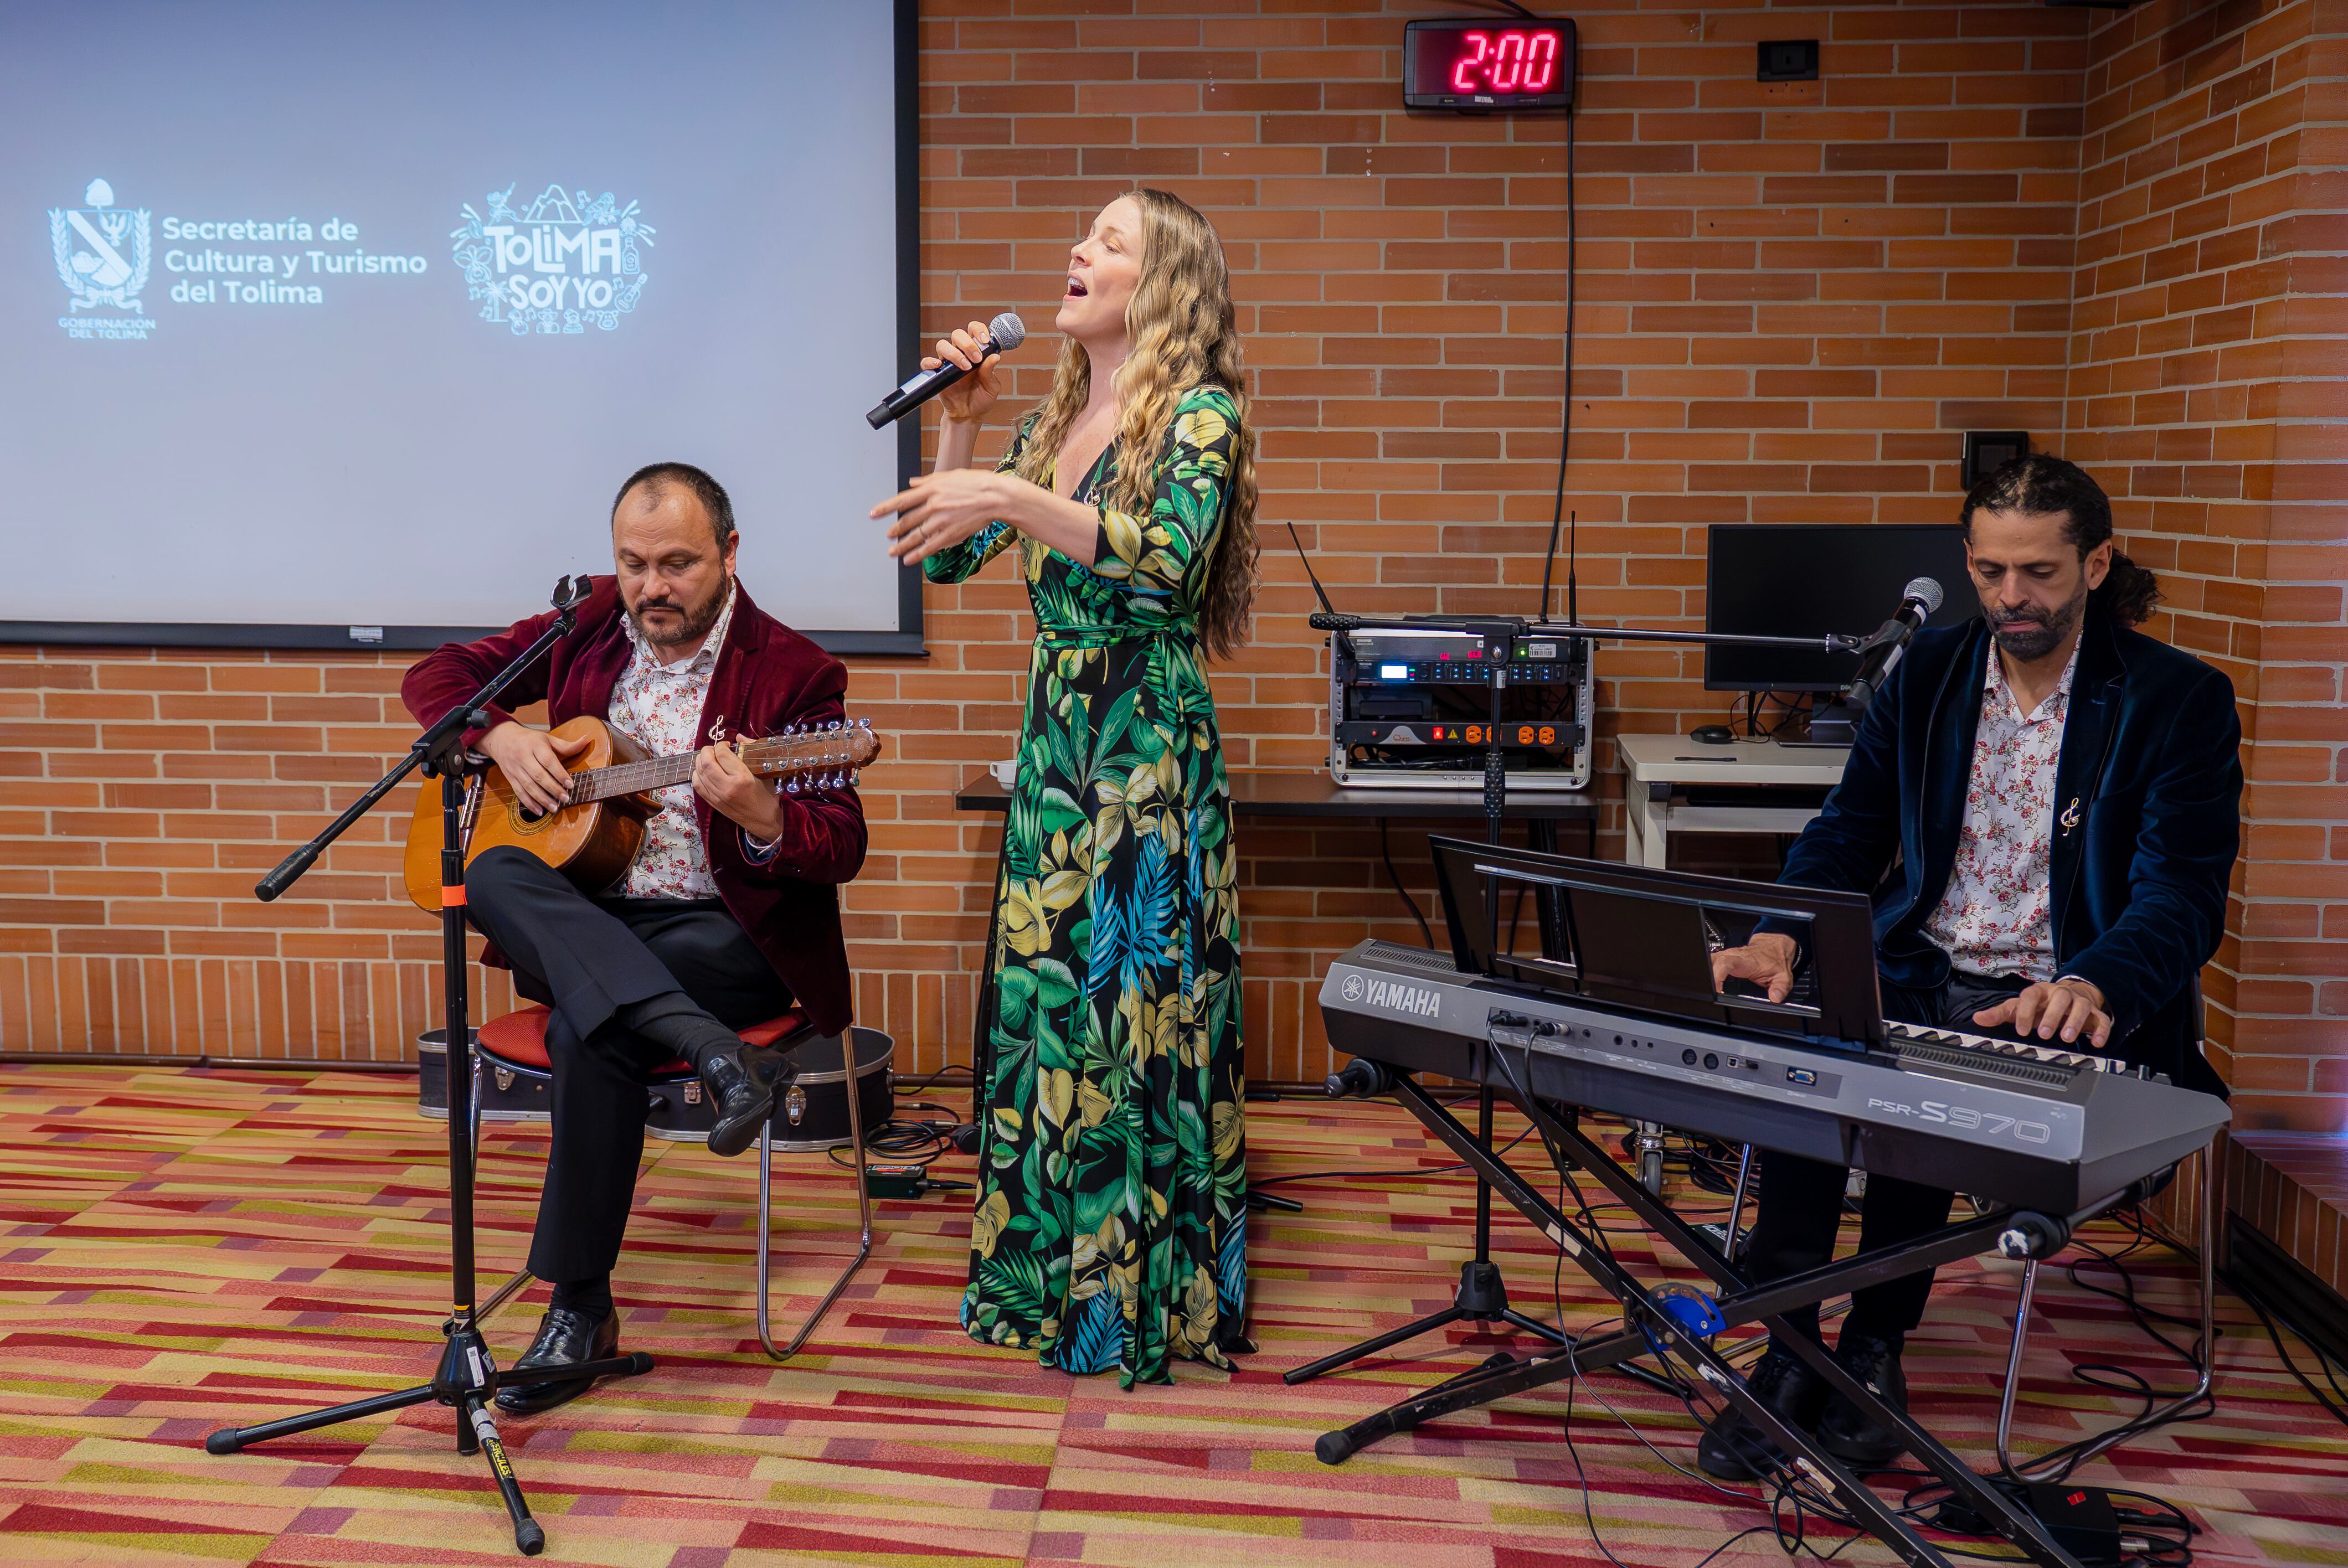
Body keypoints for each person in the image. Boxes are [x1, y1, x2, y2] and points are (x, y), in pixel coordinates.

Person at [1697, 454, 2241, 1481]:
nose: (2010, 597)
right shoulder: (1930, 674)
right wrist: (1781, 931)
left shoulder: (2177, 700)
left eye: (2036, 572)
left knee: (1924, 1109)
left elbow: (2183, 896)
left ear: (2096, 563)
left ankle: (1873, 1346)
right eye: (1990, 571)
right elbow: (1847, 833)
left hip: (2053, 996)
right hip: (1919, 961)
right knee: (1802, 1077)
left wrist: (2095, 982)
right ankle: (1792, 1347)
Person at [871, 188, 1258, 1386]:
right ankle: (1048, 1293)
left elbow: (1165, 560)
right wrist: (962, 435)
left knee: (1126, 1012)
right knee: (1048, 1009)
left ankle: (1135, 1305)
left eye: (1106, 241)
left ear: (1164, 284)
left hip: (1142, 744)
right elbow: (938, 559)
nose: (1073, 250)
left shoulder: (1197, 415)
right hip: (1054, 752)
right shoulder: (1052, 417)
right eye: (1078, 232)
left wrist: (1011, 495)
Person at [401, 462, 865, 1414]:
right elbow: (436, 679)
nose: (652, 588)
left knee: (590, 1027)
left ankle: (578, 1312)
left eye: (679, 565)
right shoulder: (589, 624)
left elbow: (840, 847)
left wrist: (765, 810)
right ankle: (713, 1054)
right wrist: (499, 738)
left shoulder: (794, 672)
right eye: (634, 564)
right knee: (490, 870)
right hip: (599, 918)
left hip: (726, 937)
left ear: (730, 555)